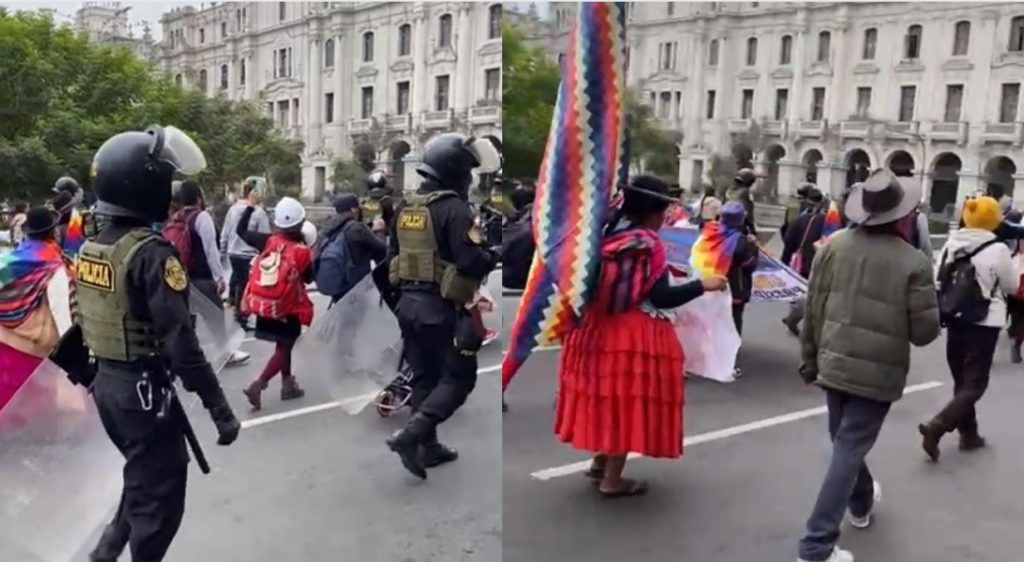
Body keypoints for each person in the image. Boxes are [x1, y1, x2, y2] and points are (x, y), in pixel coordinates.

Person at [78, 126, 240, 562]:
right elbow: (182, 345)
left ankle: (105, 554)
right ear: (144, 185)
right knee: (159, 502)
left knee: (141, 479)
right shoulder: (152, 253)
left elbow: (84, 322)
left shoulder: (93, 248)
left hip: (109, 387)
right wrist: (220, 410)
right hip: (142, 392)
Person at [797, 169, 940, 562]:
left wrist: (809, 362)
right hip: (877, 374)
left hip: (831, 362)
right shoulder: (914, 262)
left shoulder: (833, 246)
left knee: (845, 442)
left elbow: (812, 310)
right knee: (847, 447)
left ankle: (860, 504)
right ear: (902, 215)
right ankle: (815, 545)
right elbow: (925, 332)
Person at [556, 175, 727, 497]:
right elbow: (662, 297)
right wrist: (703, 285)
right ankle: (612, 480)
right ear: (656, 212)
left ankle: (599, 463)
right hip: (631, 334)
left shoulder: (607, 234)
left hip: (595, 328)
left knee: (607, 398)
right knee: (626, 401)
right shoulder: (649, 245)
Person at [384, 133, 500, 479]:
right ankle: (412, 435)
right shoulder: (455, 209)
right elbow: (468, 261)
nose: (469, 179)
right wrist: (492, 255)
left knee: (424, 377)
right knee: (459, 378)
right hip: (441, 309)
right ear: (454, 171)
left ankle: (428, 447)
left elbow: (391, 257)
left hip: (408, 305)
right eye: (467, 172)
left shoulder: (406, 207)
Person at [919, 196, 1020, 461]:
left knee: (961, 380)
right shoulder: (998, 249)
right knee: (975, 383)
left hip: (954, 316)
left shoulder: (952, 241)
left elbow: (937, 276)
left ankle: (969, 434)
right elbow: (1010, 286)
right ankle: (938, 425)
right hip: (984, 322)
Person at [238, 196, 315, 411]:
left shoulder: (268, 241)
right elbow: (309, 278)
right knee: (286, 344)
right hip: (287, 306)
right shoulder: (302, 251)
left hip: (265, 303)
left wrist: (250, 206)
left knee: (283, 344)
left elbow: (241, 231)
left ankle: (288, 384)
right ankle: (259, 383)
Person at [164, 181, 250, 366]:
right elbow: (211, 249)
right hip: (202, 278)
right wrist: (219, 277)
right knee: (215, 316)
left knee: (188, 319)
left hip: (182, 278)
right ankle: (225, 353)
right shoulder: (201, 217)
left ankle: (184, 357)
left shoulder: (176, 217)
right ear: (198, 198)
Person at [0, 206, 71, 410]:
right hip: (34, 352)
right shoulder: (53, 265)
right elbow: (62, 315)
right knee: (33, 411)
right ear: (54, 232)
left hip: (4, 344)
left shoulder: (11, 259)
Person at [315, 192, 387, 303]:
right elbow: (382, 248)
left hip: (338, 286)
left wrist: (369, 227)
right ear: (353, 210)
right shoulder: (357, 228)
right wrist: (379, 231)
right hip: (355, 288)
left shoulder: (328, 226)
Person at [221, 177, 271, 328]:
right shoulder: (258, 212)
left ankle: (236, 307)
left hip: (233, 253)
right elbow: (265, 236)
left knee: (239, 282)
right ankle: (241, 315)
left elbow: (226, 231)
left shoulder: (233, 209)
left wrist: (222, 251)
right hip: (248, 254)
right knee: (246, 286)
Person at [781, 189, 827, 335]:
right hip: (817, 261)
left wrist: (785, 258)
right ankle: (796, 320)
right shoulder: (827, 221)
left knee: (802, 291)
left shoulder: (802, 219)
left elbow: (789, 238)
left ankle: (793, 318)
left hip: (802, 261)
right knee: (810, 293)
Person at [729, 168, 759, 236]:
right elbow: (749, 211)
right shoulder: (746, 193)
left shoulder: (729, 191)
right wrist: (752, 229)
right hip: (739, 225)